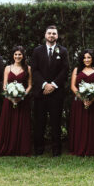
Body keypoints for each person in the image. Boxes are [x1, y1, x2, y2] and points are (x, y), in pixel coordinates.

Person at [31, 25, 69, 156]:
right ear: (45, 35)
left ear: (57, 36)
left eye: (54, 33)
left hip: (56, 92)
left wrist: (52, 85)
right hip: (40, 92)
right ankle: (38, 149)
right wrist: (44, 85)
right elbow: (34, 70)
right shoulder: (37, 51)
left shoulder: (63, 51)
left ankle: (56, 150)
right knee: (39, 121)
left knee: (56, 122)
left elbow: (65, 70)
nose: (51, 35)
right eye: (49, 33)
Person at [0, 46, 33, 156]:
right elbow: (4, 85)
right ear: (13, 55)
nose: (17, 56)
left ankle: (21, 148)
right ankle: (7, 146)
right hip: (9, 101)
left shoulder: (28, 68)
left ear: (23, 56)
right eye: (16, 54)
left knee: (22, 124)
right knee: (8, 123)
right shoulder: (7, 68)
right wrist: (10, 97)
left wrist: (22, 96)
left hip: (22, 101)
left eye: (20, 54)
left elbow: (29, 85)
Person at [69, 49, 94, 156]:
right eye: (84, 58)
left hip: (93, 103)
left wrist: (91, 100)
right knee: (79, 125)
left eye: (89, 57)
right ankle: (78, 147)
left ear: (92, 59)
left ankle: (92, 148)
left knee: (92, 126)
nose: (86, 60)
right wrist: (83, 98)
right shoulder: (77, 70)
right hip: (79, 103)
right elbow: (73, 86)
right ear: (82, 59)